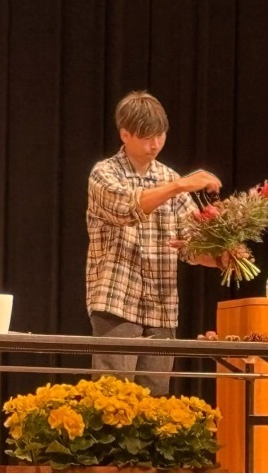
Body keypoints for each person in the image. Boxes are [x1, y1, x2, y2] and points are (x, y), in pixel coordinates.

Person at [86, 90, 231, 396]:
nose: (155, 144)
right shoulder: (104, 173)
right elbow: (129, 207)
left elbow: (191, 245)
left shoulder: (169, 177)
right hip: (117, 303)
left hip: (162, 307)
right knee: (113, 402)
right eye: (146, 137)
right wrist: (179, 185)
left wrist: (222, 256)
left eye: (160, 135)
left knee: (157, 405)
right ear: (125, 134)